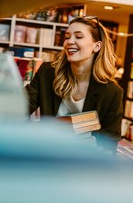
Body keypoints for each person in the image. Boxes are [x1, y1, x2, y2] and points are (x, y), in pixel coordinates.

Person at [25, 16, 123, 154]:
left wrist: (94, 147)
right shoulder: (47, 73)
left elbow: (109, 147)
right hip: (44, 157)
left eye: (78, 36)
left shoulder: (112, 92)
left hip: (81, 165)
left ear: (97, 46)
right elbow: (19, 108)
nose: (70, 41)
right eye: (67, 37)